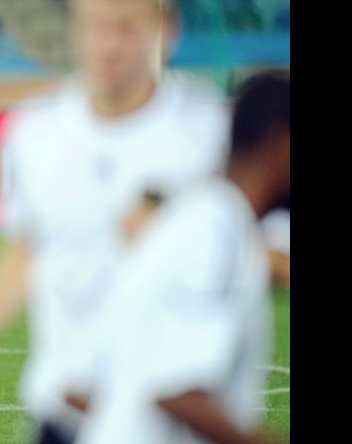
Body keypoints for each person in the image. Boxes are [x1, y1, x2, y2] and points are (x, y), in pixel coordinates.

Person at [0, 0, 230, 442]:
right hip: (62, 409)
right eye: (94, 26)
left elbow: (266, 259)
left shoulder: (209, 131)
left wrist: (180, 235)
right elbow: (26, 247)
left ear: (164, 30)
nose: (108, 45)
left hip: (171, 418)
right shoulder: (35, 131)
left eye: (126, 27)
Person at [70, 70, 290, 444]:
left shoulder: (208, 219)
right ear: (280, 145)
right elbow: (176, 391)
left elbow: (81, 386)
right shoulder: (215, 229)